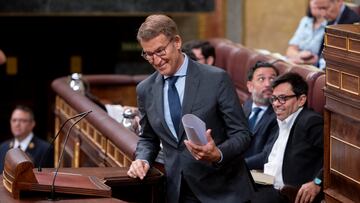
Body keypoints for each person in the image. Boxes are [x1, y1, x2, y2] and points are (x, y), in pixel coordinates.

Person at [127, 14, 255, 203]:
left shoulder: (216, 79)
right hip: (178, 192)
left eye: (160, 51)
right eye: (148, 54)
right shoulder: (145, 89)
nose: (155, 60)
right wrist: (142, 160)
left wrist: (217, 154)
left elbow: (242, 134)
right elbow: (148, 138)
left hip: (223, 191)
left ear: (177, 42)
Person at [251, 72, 324, 203]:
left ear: (301, 100)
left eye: (283, 98)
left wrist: (317, 182)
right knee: (227, 178)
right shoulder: (281, 119)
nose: (276, 104)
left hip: (285, 191)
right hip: (267, 179)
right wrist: (239, 165)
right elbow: (267, 156)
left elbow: (334, 159)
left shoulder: (310, 122)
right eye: (273, 99)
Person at [243, 61, 279, 170]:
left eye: (272, 79)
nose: (268, 84)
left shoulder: (279, 115)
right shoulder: (246, 105)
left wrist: (237, 166)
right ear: (250, 86)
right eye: (261, 79)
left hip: (258, 172)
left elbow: (266, 155)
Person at [0, 105, 54, 172]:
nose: (17, 124)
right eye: (14, 120)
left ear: (32, 124)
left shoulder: (45, 149)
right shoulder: (3, 147)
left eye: (22, 121)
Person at [314, 0, 360, 69]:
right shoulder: (332, 17)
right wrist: (316, 59)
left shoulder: (353, 23)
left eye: (325, 8)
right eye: (320, 9)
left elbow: (344, 59)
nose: (322, 14)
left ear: (339, 1)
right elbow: (323, 49)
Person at [286, 0, 327, 66]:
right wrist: (299, 56)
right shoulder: (305, 20)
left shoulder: (330, 25)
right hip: (297, 62)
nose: (314, 3)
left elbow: (321, 59)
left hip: (316, 67)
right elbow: (290, 50)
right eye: (312, 0)